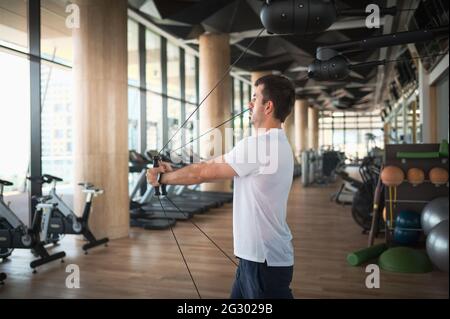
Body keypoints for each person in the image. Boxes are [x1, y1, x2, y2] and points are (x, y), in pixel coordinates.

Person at [147, 74, 296, 299]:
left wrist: (162, 179)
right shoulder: (276, 143)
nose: (249, 103)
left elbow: (204, 173)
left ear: (268, 107)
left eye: (254, 98)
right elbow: (212, 165)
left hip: (262, 262)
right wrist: (175, 167)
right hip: (258, 259)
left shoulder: (259, 145)